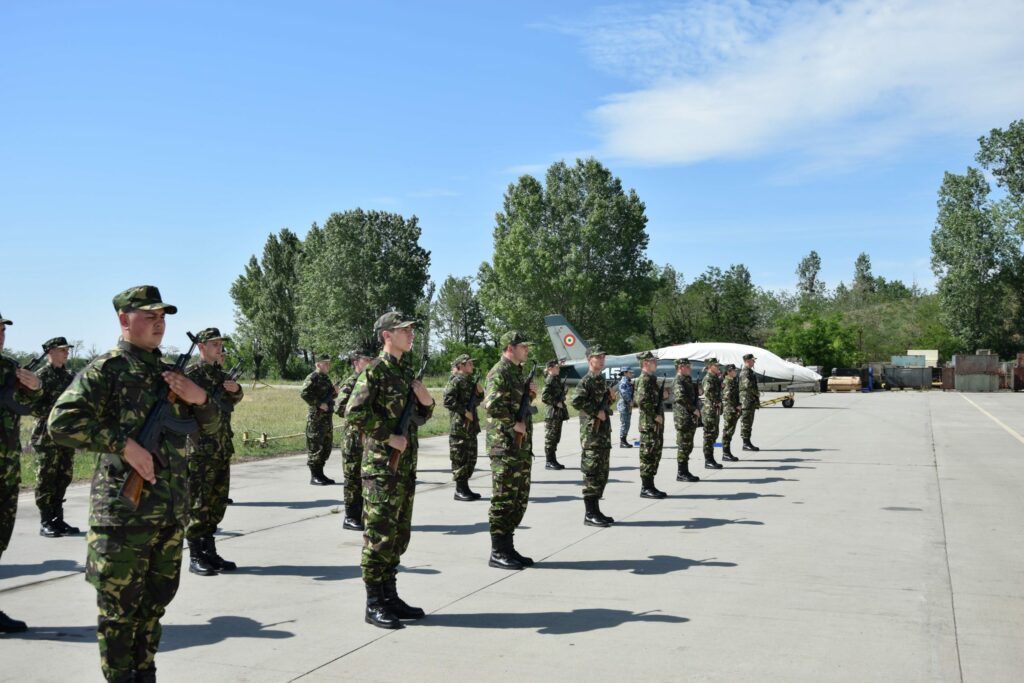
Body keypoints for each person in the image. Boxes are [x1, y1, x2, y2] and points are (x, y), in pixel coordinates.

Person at [48, 285, 219, 682]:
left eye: (163, 317)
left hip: (169, 513)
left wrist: (199, 398)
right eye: (149, 316)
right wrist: (123, 445)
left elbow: (208, 427)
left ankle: (146, 674)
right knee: (119, 617)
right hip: (123, 517)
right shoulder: (106, 370)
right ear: (124, 320)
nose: (159, 323)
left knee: (153, 609)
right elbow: (60, 423)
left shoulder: (168, 374)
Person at [345, 312, 434, 630]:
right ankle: (373, 604)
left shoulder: (403, 370)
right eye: (404, 330)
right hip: (381, 467)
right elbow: (353, 412)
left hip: (404, 468)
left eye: (411, 330)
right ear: (387, 335)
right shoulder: (375, 371)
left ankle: (390, 596)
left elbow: (420, 415)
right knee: (379, 537)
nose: (410, 334)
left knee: (398, 536)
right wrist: (388, 436)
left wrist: (427, 401)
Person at [184, 327, 244, 576]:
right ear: (201, 347)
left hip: (221, 447)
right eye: (214, 344)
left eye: (220, 344)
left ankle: (210, 551)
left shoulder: (219, 374)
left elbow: (232, 401)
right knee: (199, 503)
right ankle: (196, 554)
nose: (219, 348)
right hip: (199, 450)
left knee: (217, 503)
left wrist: (236, 390)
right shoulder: (191, 375)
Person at [0, 311, 42, 633]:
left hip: (7, 468)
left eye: (2, 329)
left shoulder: (8, 367)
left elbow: (32, 406)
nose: (1, 335)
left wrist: (35, 386)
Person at [484, 331, 536, 569]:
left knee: (518, 499)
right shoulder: (500, 371)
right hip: (504, 445)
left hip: (520, 446)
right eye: (523, 346)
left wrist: (530, 393)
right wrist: (512, 423)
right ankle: (497, 551)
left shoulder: (517, 372)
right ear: (510, 347)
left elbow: (514, 403)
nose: (527, 350)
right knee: (504, 498)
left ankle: (508, 547)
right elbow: (492, 404)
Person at [31, 336, 79, 538]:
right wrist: (56, 412)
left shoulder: (69, 377)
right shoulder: (40, 376)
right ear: (50, 352)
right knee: (46, 478)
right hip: (46, 435)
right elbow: (32, 406)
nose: (66, 352)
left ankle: (58, 519)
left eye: (67, 349)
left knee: (64, 476)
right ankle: (45, 521)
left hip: (65, 435)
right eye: (62, 349)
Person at [571, 345, 617, 527]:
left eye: (603, 356)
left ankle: (596, 510)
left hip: (603, 434)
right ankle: (589, 514)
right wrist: (595, 412)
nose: (602, 359)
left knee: (602, 473)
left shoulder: (600, 381)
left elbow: (603, 404)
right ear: (590, 360)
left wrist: (611, 398)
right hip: (591, 434)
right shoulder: (586, 381)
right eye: (598, 357)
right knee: (591, 473)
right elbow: (577, 401)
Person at [336, 348, 373, 530]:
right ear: (356, 363)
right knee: (352, 478)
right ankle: (350, 516)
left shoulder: (371, 381)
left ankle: (364, 513)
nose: (370, 362)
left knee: (367, 476)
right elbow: (340, 406)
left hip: (369, 437)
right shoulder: (351, 382)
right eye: (366, 359)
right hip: (354, 438)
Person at [443, 354, 483, 501]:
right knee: (460, 457)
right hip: (460, 426)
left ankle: (465, 488)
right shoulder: (455, 381)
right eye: (470, 364)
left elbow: (478, 399)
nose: (472, 366)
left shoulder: (470, 381)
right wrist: (465, 412)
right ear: (461, 366)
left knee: (470, 458)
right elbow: (448, 401)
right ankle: (459, 490)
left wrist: (480, 392)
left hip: (471, 426)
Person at [300, 353, 338, 485]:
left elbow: (328, 396)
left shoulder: (325, 378)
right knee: (315, 446)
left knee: (325, 447)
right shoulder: (314, 377)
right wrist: (318, 403)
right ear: (318, 364)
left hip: (326, 419)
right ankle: (314, 476)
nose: (328, 365)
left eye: (329, 363)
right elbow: (304, 393)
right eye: (325, 363)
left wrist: (335, 393)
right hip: (316, 418)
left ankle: (321, 474)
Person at [635, 351, 668, 498]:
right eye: (654, 361)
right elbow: (642, 402)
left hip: (655, 424)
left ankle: (651, 485)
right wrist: (655, 416)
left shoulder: (652, 378)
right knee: (648, 455)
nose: (656, 363)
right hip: (649, 424)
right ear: (646, 363)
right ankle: (646, 487)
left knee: (655, 454)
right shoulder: (644, 380)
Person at [672, 358, 700, 482]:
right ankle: (681, 473)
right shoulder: (678, 380)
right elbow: (680, 398)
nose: (690, 368)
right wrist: (693, 409)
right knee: (683, 445)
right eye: (688, 366)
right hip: (683, 417)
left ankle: (685, 470)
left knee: (688, 445)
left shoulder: (686, 379)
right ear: (680, 367)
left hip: (689, 417)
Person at [540, 359, 568, 470]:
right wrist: (556, 402)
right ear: (550, 369)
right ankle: (549, 461)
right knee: (550, 438)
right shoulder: (550, 379)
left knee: (555, 438)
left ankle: (553, 460)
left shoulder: (555, 379)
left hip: (557, 413)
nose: (559, 368)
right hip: (552, 413)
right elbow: (544, 396)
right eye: (556, 367)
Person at [701, 357, 724, 470]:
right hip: (710, 410)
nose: (718, 367)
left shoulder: (715, 378)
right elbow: (709, 393)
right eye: (716, 365)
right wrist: (717, 402)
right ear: (710, 366)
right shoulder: (708, 378)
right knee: (709, 435)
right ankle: (708, 460)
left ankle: (711, 458)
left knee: (714, 434)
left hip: (715, 410)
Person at [739, 353, 761, 451]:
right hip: (746, 401)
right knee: (746, 422)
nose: (754, 362)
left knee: (749, 422)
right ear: (747, 361)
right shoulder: (745, 372)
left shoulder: (750, 371)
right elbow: (748, 386)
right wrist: (756, 393)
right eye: (752, 360)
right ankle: (745, 443)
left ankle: (748, 442)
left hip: (750, 401)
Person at [720, 364, 741, 462]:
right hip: (730, 409)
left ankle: (727, 452)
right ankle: (726, 453)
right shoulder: (728, 382)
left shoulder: (732, 381)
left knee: (730, 431)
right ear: (728, 372)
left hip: (733, 409)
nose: (735, 372)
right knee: (728, 431)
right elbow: (727, 397)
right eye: (733, 370)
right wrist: (736, 405)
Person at [617, 368, 635, 448]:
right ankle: (622, 441)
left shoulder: (628, 381)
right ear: (625, 373)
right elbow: (624, 393)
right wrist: (630, 401)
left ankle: (624, 440)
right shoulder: (623, 382)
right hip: (624, 405)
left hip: (627, 405)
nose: (632, 374)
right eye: (630, 372)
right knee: (624, 423)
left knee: (627, 423)